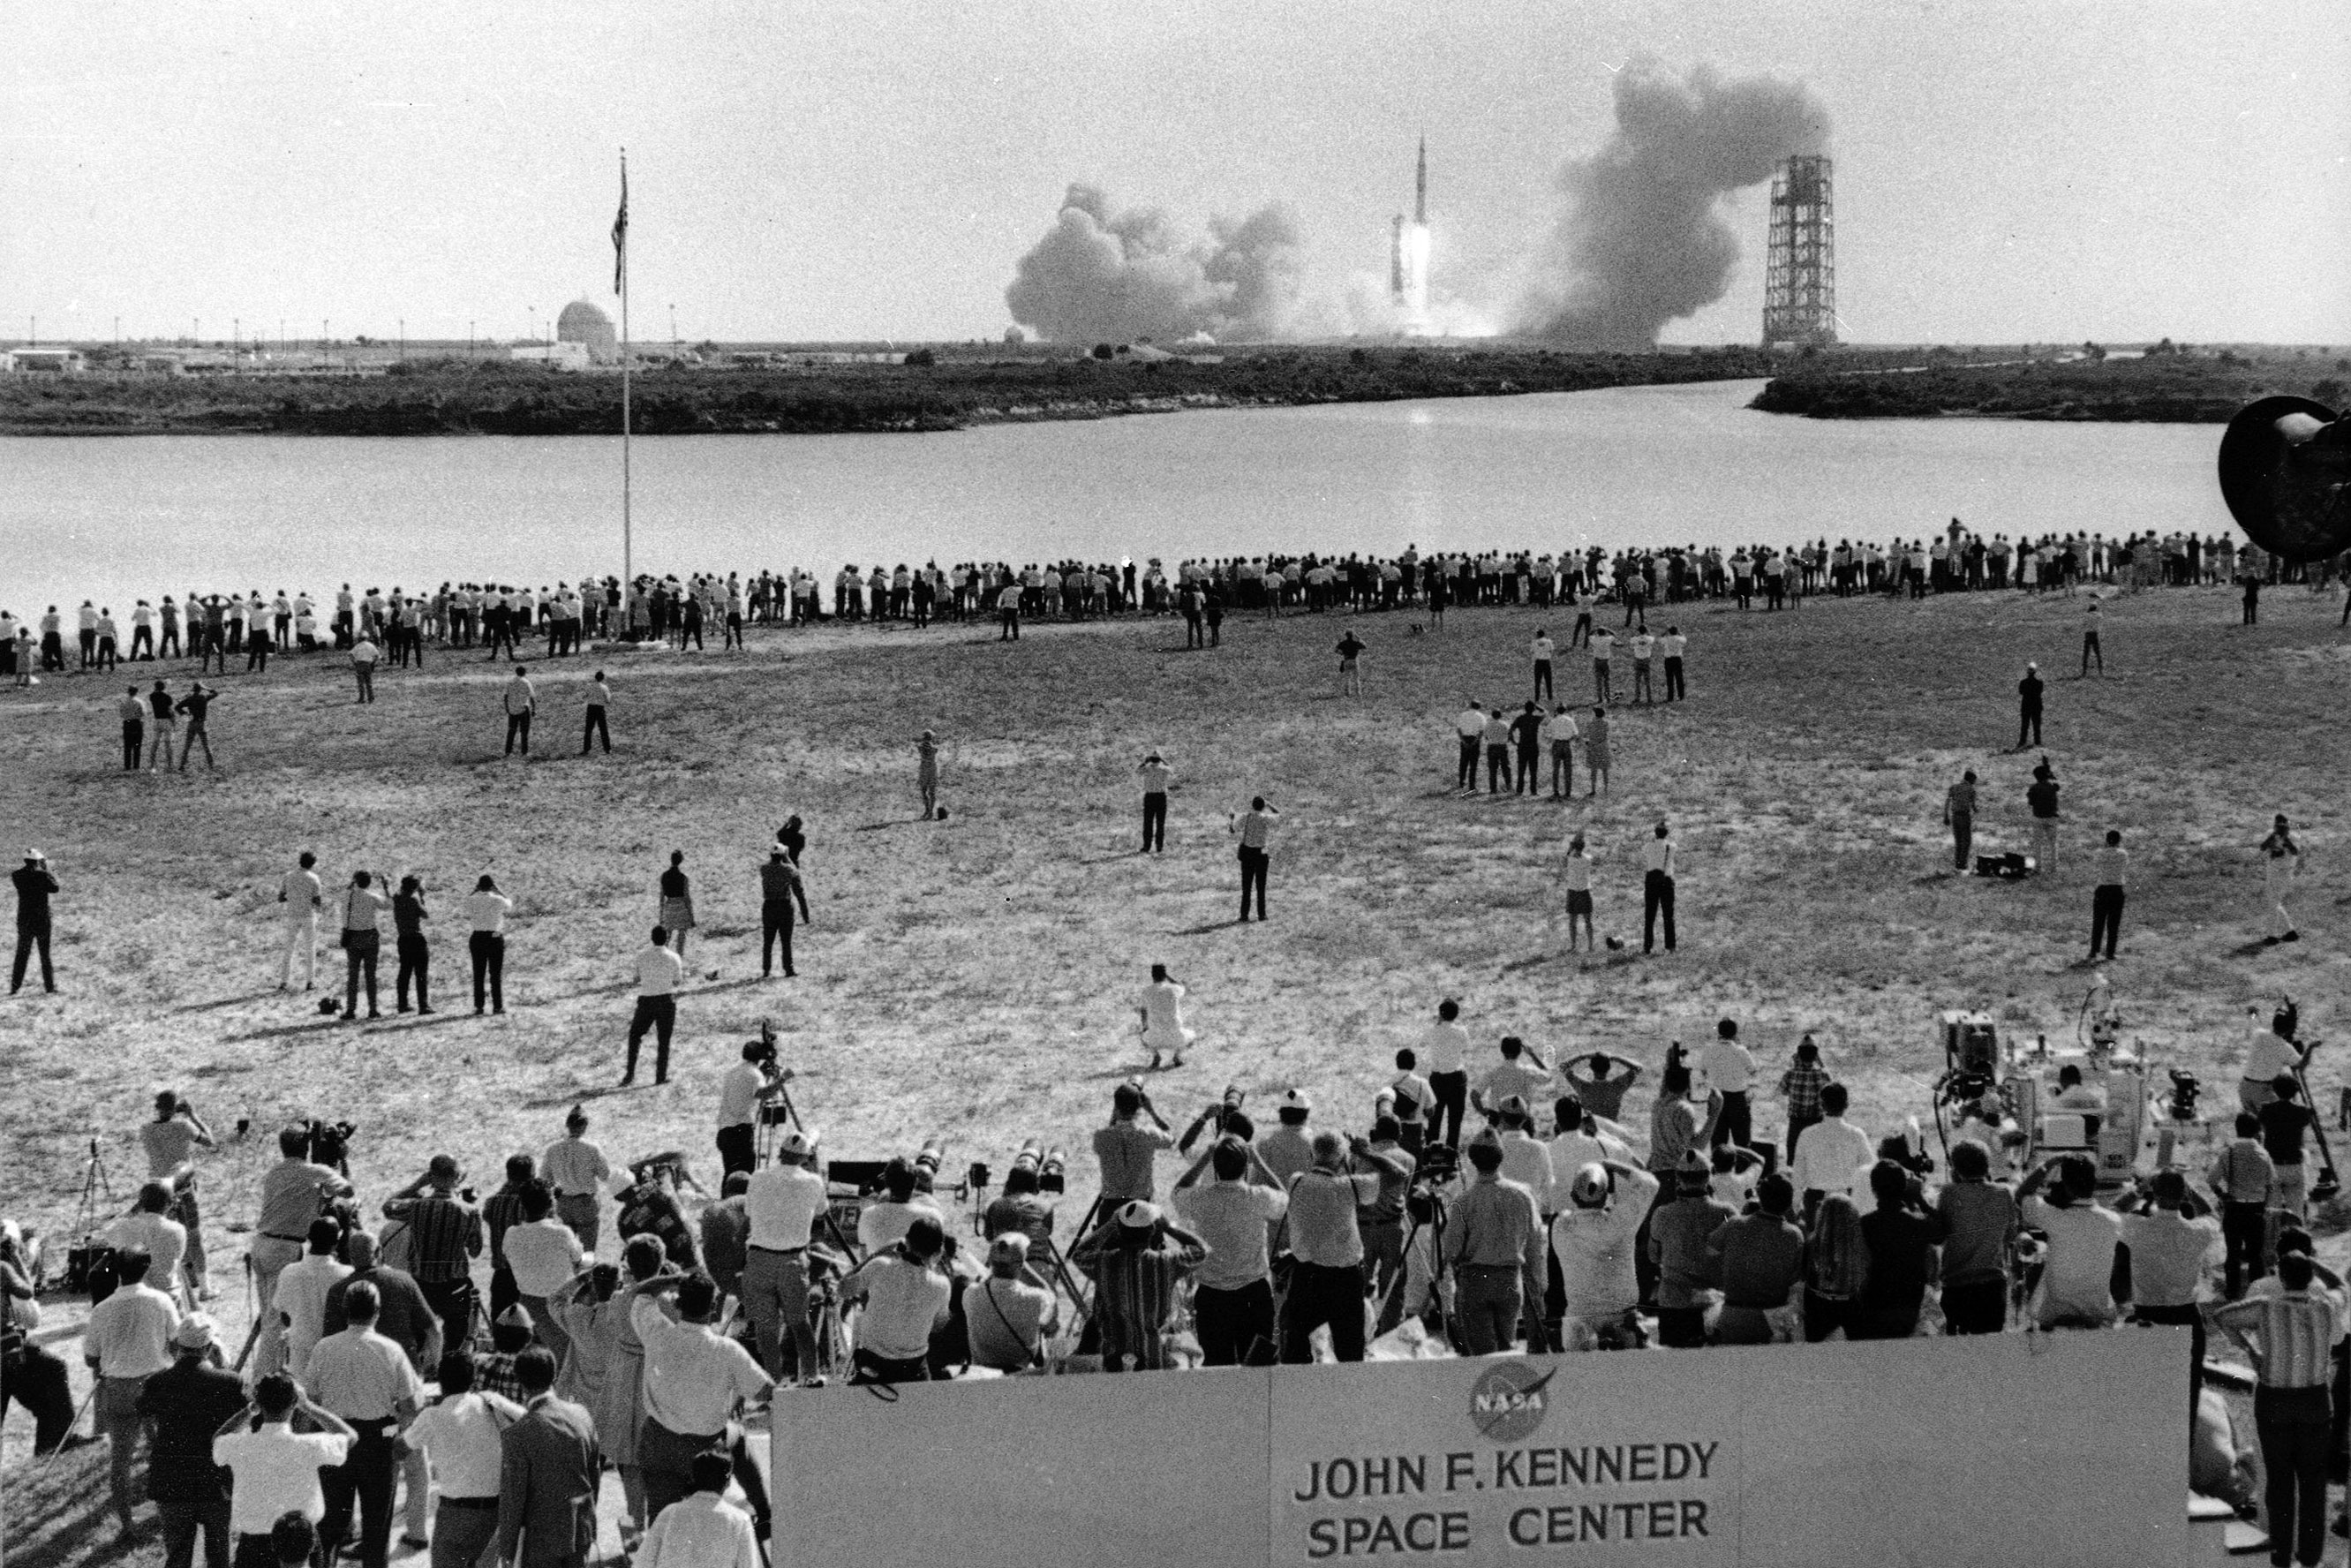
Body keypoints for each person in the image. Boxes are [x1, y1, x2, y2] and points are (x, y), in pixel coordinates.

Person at [2214, 1254, 2341, 1568]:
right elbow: (2337, 1336)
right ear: (2310, 1279)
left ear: (2280, 1277)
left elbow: (2221, 1317)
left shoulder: (2264, 1305)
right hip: (2314, 1400)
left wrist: (2251, 1349)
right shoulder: (2326, 1307)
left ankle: (2280, 1555)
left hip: (2276, 1399)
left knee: (2280, 1481)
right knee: (2313, 1482)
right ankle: (2311, 1557)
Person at [630, 1273, 772, 1515]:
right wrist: (737, 1389)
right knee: (736, 1435)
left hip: (660, 1444)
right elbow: (764, 1391)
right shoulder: (728, 1350)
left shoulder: (657, 1333)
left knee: (660, 1515)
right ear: (713, 1307)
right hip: (707, 1447)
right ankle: (763, 1509)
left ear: (677, 1304)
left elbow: (641, 1292)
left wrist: (676, 1278)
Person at [307, 1280, 424, 1568]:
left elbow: (311, 1398)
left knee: (332, 1521)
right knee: (376, 1526)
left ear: (345, 1310)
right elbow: (411, 1405)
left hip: (336, 1438)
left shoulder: (324, 1348)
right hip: (379, 1441)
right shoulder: (391, 1350)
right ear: (377, 1312)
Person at [1280, 1131, 1410, 1364]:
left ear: (1312, 1155)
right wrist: (1366, 1153)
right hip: (1344, 1278)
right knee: (1349, 1350)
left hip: (1306, 1274)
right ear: (1342, 1160)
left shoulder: (1296, 1181)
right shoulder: (1349, 1186)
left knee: (1296, 1348)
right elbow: (1399, 1174)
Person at [211, 1375, 357, 1568]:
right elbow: (350, 1437)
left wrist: (249, 1410)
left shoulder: (241, 1445)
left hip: (254, 1544)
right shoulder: (309, 1445)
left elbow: (218, 1439)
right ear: (293, 1404)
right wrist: (309, 1407)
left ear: (259, 1402)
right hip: (301, 1542)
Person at [139, 1314, 248, 1568]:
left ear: (178, 1346)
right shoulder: (230, 1382)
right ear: (210, 1348)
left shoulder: (158, 1381)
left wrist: (155, 1442)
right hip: (215, 1480)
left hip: (172, 1479)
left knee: (177, 1556)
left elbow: (144, 1414)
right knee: (219, 1555)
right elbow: (242, 1424)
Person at [85, 1246, 182, 1533]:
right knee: (168, 1450)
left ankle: (127, 1524)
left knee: (121, 1459)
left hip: (120, 1387)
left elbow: (90, 1357)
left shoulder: (102, 1309)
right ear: (147, 1266)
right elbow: (176, 1341)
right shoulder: (160, 1300)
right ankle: (170, 1512)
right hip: (157, 1382)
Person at [1172, 1135, 1288, 1367]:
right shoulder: (1258, 1196)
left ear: (1215, 1167)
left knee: (1217, 1367)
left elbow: (1178, 1191)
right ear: (1245, 1167)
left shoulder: (1201, 1198)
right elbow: (1284, 1197)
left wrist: (1205, 1157)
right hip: (1253, 1293)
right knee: (1259, 1366)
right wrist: (1259, 1161)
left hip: (1212, 1295)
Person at [247, 1127, 352, 1377]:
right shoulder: (313, 1172)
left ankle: (267, 1377)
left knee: (270, 1316)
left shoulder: (275, 1173)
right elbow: (348, 1191)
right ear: (305, 1148)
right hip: (284, 1247)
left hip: (262, 1244)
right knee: (274, 1323)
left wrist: (321, 1190)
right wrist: (336, 1167)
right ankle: (263, 1385)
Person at [403, 1354, 524, 1568]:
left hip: (455, 1512)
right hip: (495, 1510)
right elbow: (526, 1418)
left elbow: (401, 1449)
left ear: (440, 1381)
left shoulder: (432, 1415)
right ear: (473, 1378)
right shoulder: (490, 1403)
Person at [2118, 1170, 2220, 1413]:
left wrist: (2139, 1190)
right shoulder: (2197, 1231)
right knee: (2188, 1393)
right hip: (2186, 1315)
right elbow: (2212, 1216)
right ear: (2184, 1195)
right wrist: (2191, 1192)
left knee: (2145, 1395)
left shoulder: (2137, 1227)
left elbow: (2114, 1212)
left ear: (2154, 1194)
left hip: (2147, 1315)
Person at [1440, 1128, 1548, 1355]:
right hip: (1510, 1279)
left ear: (1473, 1160)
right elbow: (1535, 1242)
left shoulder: (1464, 1201)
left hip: (1476, 1279)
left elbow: (1451, 1250)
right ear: (1501, 1157)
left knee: (1481, 1353)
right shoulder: (1523, 1195)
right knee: (1506, 1347)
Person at [494, 1347, 602, 1568]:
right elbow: (595, 1476)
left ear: (520, 1382)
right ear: (554, 1375)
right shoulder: (582, 1415)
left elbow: (512, 1498)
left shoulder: (518, 1434)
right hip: (581, 1529)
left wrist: (506, 1551)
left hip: (542, 1540)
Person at [1069, 1202, 1207, 1372]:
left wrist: (1110, 1225)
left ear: (1120, 1231)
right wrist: (1168, 1227)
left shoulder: (1104, 1263)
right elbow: (1202, 1250)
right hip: (1156, 1357)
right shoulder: (1166, 1262)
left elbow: (1079, 1254)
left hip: (1113, 1359)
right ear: (1152, 1230)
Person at [742, 1128, 826, 1381]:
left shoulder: (758, 1177)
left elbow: (749, 1212)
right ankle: (811, 1377)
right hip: (792, 1260)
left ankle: (773, 1382)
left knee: (766, 1328)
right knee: (800, 1324)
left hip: (759, 1259)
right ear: (805, 1158)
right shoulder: (813, 1182)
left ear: (780, 1152)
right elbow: (822, 1212)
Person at [381, 1155, 485, 1354]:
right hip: (455, 1287)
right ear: (457, 1178)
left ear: (431, 1176)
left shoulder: (416, 1207)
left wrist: (416, 1185)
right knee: (456, 1342)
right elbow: (475, 1251)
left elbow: (388, 1207)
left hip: (422, 1286)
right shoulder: (470, 1211)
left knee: (416, 1343)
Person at [1553, 1157, 1660, 1351]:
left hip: (1580, 1321)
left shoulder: (1561, 1225)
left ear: (1574, 1196)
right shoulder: (1620, 1222)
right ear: (1605, 1197)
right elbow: (1650, 1184)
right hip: (1622, 1318)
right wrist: (1611, 1165)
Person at [840, 1217, 955, 1383]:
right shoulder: (941, 1285)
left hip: (873, 1363)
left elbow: (843, 1289)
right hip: (913, 1367)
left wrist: (877, 1254)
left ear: (907, 1241)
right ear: (938, 1251)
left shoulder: (880, 1266)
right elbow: (938, 1325)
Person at [2018, 1154, 2122, 1329]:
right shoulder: (2113, 1221)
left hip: (2055, 1314)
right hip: (2097, 1315)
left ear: (2065, 1184)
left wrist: (2048, 1164)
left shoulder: (2053, 1216)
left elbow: (2022, 1194)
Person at [1646, 1152, 1735, 1348]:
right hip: (1713, 1303)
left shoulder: (1662, 1214)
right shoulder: (1726, 1213)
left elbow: (1653, 1256)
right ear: (1709, 1175)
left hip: (1674, 1303)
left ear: (1678, 1177)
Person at [1707, 1174, 1804, 1345]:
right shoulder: (1794, 1235)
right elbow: (1795, 1282)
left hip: (1732, 1317)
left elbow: (1708, 1253)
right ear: (1788, 1203)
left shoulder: (1734, 1224)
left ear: (1760, 1198)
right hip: (1772, 1322)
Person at [1936, 1141, 2018, 1334]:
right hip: (1992, 1285)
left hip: (1957, 1285)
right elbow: (2010, 1236)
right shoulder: (2004, 1192)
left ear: (1955, 1168)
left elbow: (1940, 1234)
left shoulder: (1948, 1193)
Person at [142, 1091, 218, 1298]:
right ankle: (204, 1287)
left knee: (165, 1238)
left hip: (157, 1190)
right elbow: (210, 1141)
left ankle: (176, 1282)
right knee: (193, 1237)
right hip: (182, 1188)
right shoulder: (183, 1126)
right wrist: (193, 1116)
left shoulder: (146, 1130)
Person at [505, 1186, 586, 1366]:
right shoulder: (562, 1233)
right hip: (557, 1304)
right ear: (551, 1204)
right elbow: (580, 1259)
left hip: (527, 1304)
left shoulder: (511, 1234)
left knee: (535, 1362)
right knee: (564, 1360)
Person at [637, 1449, 759, 1568]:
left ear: (693, 1478)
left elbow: (643, 1562)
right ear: (727, 1483)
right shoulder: (739, 1520)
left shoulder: (669, 1513)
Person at [962, 1233, 1060, 1373]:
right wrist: (1025, 1267)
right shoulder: (1037, 1298)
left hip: (982, 1371)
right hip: (1020, 1371)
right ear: (1021, 1265)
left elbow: (985, 1282)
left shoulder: (970, 1293)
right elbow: (1050, 1300)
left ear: (990, 1262)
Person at [2211, 1112, 2278, 1298]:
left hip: (2234, 1208)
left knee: (2232, 1253)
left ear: (2237, 1130)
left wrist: (2222, 1196)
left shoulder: (2229, 1153)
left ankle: (2232, 1291)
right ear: (2257, 1131)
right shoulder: (2264, 1154)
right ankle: (2256, 1293)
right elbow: (2271, 1184)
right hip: (2256, 1209)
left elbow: (2212, 1180)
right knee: (2256, 1255)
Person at [1790, 1082, 1872, 1221]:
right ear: (1846, 1105)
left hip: (1816, 1202)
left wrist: (1796, 1206)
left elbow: (1798, 1174)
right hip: (1847, 1201)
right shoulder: (1856, 1135)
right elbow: (1868, 1170)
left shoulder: (1807, 1134)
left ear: (1822, 1105)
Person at [1093, 1081, 1176, 1207]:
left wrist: (1115, 1113)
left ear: (1116, 1108)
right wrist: (1152, 1112)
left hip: (1111, 1204)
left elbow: (1110, 1132)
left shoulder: (1101, 1136)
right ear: (1139, 1109)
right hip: (1141, 1206)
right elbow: (1171, 1139)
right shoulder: (1149, 1134)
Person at [622, 926, 686, 1087]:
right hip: (665, 1000)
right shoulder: (674, 957)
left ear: (652, 938)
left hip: (646, 1000)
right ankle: (660, 1076)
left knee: (635, 1035)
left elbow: (636, 979)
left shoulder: (642, 956)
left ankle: (630, 1074)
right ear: (666, 939)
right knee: (664, 1040)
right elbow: (677, 981)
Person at [543, 1106, 614, 1250]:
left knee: (568, 1248)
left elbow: (545, 1179)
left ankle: (572, 1271)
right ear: (585, 1126)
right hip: (586, 1203)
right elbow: (605, 1176)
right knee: (588, 1249)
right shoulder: (592, 1148)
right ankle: (587, 1273)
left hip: (564, 1202)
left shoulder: (552, 1149)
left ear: (567, 1125)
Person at [1799, 1194, 1868, 1342]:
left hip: (1818, 1305)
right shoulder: (1859, 1243)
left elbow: (1803, 1274)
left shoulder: (1812, 1242)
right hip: (1850, 1304)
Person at [714, 1035, 784, 1178]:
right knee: (744, 1175)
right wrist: (782, 1080)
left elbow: (746, 1089)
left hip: (725, 1131)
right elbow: (763, 1094)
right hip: (740, 1132)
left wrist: (762, 1074)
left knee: (731, 1176)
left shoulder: (733, 1071)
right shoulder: (754, 1074)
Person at [2260, 1074, 2317, 1219]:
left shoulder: (2267, 1110)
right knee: (2297, 1212)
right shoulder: (2302, 1111)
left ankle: (2272, 1239)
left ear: (2275, 1090)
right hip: (2295, 1164)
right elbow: (2306, 1118)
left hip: (2273, 1165)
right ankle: (2298, 1237)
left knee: (2272, 1213)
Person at [338, 870, 389, 1021]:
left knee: (353, 975)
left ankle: (350, 1009)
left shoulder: (347, 896)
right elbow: (389, 905)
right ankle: (373, 1009)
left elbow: (347, 891)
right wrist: (386, 887)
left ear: (355, 881)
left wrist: (352, 881)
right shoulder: (372, 897)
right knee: (370, 975)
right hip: (369, 936)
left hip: (352, 937)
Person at [1422, 999, 1472, 1149]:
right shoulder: (1461, 1031)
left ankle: (1431, 1154)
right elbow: (1466, 1048)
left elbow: (1426, 1042)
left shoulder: (1432, 1031)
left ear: (1441, 1013)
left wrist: (1438, 1023)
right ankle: (1451, 1157)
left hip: (1437, 1078)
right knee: (1455, 1121)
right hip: (1456, 1077)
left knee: (1434, 1120)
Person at [1701, 1018, 1757, 1150]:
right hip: (1737, 1097)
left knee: (1718, 1141)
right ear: (1735, 1033)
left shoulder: (1709, 1049)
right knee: (1742, 1141)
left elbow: (1703, 1071)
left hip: (1716, 1096)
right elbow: (1753, 1070)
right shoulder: (1741, 1051)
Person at [2242, 1006, 2308, 1115]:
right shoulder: (2285, 1047)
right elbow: (2300, 1065)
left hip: (2245, 1087)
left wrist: (2253, 1015)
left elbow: (2252, 1024)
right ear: (2288, 1030)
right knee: (2274, 1126)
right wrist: (2311, 1048)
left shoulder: (2258, 1034)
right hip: (2264, 1091)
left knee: (2251, 1126)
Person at [463, 874, 513, 1014]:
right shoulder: (498, 899)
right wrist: (499, 890)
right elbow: (509, 904)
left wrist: (475, 890)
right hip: (495, 936)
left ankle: (479, 1006)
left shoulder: (472, 899)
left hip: (477, 936)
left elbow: (465, 903)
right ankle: (498, 1006)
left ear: (479, 886)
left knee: (478, 973)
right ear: (492, 886)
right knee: (495, 974)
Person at [757, 847, 810, 979]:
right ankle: (788, 968)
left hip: (769, 906)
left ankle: (766, 969)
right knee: (786, 940)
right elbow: (796, 875)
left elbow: (767, 864)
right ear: (783, 856)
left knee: (768, 940)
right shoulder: (788, 869)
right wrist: (787, 857)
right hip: (784, 906)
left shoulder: (764, 869)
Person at [11, 848, 57, 995]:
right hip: (42, 919)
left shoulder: (17, 875)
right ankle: (49, 988)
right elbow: (55, 888)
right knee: (45, 955)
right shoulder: (42, 875)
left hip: (25, 919)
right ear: (38, 861)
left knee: (21, 954)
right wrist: (48, 869)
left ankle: (15, 987)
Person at [278, 852, 324, 992]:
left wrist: (293, 898)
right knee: (310, 949)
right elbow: (317, 901)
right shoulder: (314, 878)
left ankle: (284, 981)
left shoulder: (288, 876)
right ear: (312, 864)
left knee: (289, 948)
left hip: (292, 915)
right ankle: (310, 981)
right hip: (307, 915)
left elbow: (281, 897)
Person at [1231, 795, 1278, 923]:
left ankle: (1244, 915)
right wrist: (1269, 805)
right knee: (1261, 886)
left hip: (1247, 853)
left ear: (1252, 805)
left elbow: (1233, 829)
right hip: (1261, 854)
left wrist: (1232, 818)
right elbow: (1279, 816)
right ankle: (1262, 915)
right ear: (1262, 807)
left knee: (1246, 887)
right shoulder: (1266, 818)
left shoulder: (1246, 817)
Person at [1138, 962, 1194, 1069]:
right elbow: (1183, 987)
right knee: (1192, 1036)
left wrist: (1145, 1028)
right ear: (1165, 975)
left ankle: (1156, 1056)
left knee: (1142, 1035)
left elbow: (1143, 1012)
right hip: (1176, 1036)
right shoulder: (1174, 989)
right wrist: (1169, 977)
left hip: (1156, 1037)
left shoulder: (1146, 991)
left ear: (1152, 976)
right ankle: (1177, 1056)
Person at [391, 876, 433, 1015]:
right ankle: (423, 1005)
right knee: (421, 973)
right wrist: (421, 896)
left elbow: (395, 893)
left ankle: (402, 1004)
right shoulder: (413, 900)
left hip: (403, 938)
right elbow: (426, 914)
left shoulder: (397, 898)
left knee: (405, 972)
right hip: (416, 938)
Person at [2259, 815, 2302, 944]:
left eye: (2284, 826)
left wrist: (2286, 840)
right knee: (2274, 903)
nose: (2281, 828)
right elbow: (2263, 847)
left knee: (2273, 903)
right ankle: (2290, 932)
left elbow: (2295, 852)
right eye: (2279, 826)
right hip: (2272, 871)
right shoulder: (2271, 834)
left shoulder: (2294, 837)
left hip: (2285, 873)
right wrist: (2273, 837)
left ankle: (2272, 936)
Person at [1640, 819, 1677, 955]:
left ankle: (1647, 946)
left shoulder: (1649, 845)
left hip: (1651, 880)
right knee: (1668, 915)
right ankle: (1671, 946)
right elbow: (1672, 845)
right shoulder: (1671, 846)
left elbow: (1645, 851)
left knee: (1649, 915)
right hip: (1666, 880)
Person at [657, 851, 697, 961]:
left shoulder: (664, 876)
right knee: (681, 936)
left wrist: (661, 916)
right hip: (681, 907)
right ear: (681, 861)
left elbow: (661, 898)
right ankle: (679, 958)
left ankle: (663, 958)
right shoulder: (683, 878)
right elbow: (687, 898)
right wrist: (691, 916)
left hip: (669, 907)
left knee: (667, 936)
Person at [2026, 760, 2061, 875]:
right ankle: (2054, 868)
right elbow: (2056, 783)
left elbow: (2031, 803)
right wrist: (2050, 773)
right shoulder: (2053, 787)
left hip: (2038, 818)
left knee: (2038, 844)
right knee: (2053, 844)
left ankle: (2038, 868)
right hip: (2052, 818)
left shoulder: (2034, 788)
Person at [176, 681, 218, 771]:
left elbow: (177, 707)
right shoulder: (204, 698)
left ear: (193, 690)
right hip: (201, 724)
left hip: (191, 723)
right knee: (206, 746)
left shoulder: (189, 699)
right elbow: (215, 693)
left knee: (187, 746)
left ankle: (182, 765)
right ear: (200, 690)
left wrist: (185, 714)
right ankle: (211, 766)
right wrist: (205, 687)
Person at [1944, 770, 1978, 872]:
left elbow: (1948, 801)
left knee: (1958, 841)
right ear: (1970, 779)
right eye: (1974, 780)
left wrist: (1946, 816)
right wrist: (1975, 809)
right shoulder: (1971, 789)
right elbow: (1972, 805)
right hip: (1964, 816)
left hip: (1955, 816)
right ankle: (1962, 864)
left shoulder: (1954, 787)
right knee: (1966, 841)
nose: (1974, 782)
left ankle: (1958, 864)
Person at [1137, 753, 1172, 853]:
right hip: (1161, 797)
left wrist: (1144, 762)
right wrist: (1164, 760)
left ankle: (1146, 846)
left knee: (1148, 823)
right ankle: (1159, 847)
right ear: (1159, 760)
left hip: (1149, 797)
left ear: (1150, 760)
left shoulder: (1146, 769)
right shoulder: (1164, 769)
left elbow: (1137, 771)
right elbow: (1171, 770)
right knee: (1160, 823)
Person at [503, 666, 536, 756]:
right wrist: (533, 709)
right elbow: (531, 696)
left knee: (511, 731)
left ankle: (508, 751)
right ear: (524, 672)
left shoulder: (510, 682)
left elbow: (506, 696)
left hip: (512, 709)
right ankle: (524, 751)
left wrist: (507, 708)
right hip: (523, 709)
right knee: (524, 732)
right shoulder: (526, 682)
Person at [1452, 700, 1484, 791]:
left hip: (1464, 739)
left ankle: (1461, 783)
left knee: (1463, 762)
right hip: (1475, 739)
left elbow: (1458, 729)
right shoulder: (1480, 716)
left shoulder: (1463, 715)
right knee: (1473, 763)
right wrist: (1475, 742)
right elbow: (1481, 731)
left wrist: (1463, 741)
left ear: (1470, 706)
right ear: (1479, 707)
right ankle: (1472, 785)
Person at [1584, 705, 1612, 795]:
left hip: (1593, 746)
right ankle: (1606, 789)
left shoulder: (1590, 723)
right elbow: (1606, 734)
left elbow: (1588, 734)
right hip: (1603, 746)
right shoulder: (1605, 723)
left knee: (1593, 770)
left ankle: (1593, 789)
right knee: (1605, 769)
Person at [581, 670, 611, 755]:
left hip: (591, 708)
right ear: (603, 678)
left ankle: (586, 749)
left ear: (595, 677)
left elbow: (584, 696)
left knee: (588, 729)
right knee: (603, 729)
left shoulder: (589, 686)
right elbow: (608, 700)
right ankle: (607, 749)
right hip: (600, 709)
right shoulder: (604, 687)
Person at [2016, 662, 2044, 749]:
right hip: (2036, 706)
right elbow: (2040, 691)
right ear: (2035, 672)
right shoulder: (2039, 683)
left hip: (2026, 706)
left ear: (2027, 672)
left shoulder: (2023, 682)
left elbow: (2021, 692)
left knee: (2024, 725)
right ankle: (2037, 742)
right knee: (2036, 725)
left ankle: (2022, 741)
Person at [121, 683, 147, 771]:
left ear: (128, 692)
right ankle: (136, 765)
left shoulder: (123, 702)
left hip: (127, 723)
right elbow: (144, 713)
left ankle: (127, 765)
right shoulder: (140, 702)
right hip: (136, 723)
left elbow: (122, 713)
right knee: (137, 745)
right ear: (136, 692)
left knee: (127, 745)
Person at [916, 728, 942, 818]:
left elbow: (924, 750)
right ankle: (929, 811)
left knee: (927, 791)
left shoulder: (926, 748)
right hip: (930, 770)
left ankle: (929, 811)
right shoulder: (932, 748)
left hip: (927, 770)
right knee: (930, 792)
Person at [1660, 625, 1687, 701]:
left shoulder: (1666, 639)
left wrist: (1666, 631)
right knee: (1679, 678)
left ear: (1670, 632)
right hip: (1677, 659)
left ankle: (1670, 697)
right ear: (1676, 632)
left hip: (1668, 660)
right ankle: (1681, 695)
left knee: (1669, 679)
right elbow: (1684, 639)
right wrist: (1680, 633)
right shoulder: (1679, 639)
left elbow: (1661, 637)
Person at [350, 635, 378, 704]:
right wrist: (373, 663)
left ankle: (361, 698)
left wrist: (354, 663)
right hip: (368, 664)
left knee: (361, 683)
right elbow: (376, 655)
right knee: (369, 682)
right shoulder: (370, 645)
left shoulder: (358, 646)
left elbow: (351, 654)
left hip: (359, 664)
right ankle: (371, 698)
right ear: (367, 638)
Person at [1531, 629, 1554, 701]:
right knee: (1548, 681)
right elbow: (1551, 650)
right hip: (1546, 662)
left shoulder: (1534, 642)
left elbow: (1532, 651)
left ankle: (1537, 698)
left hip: (1538, 662)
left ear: (1538, 635)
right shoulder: (1548, 641)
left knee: (1537, 681)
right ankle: (1550, 697)